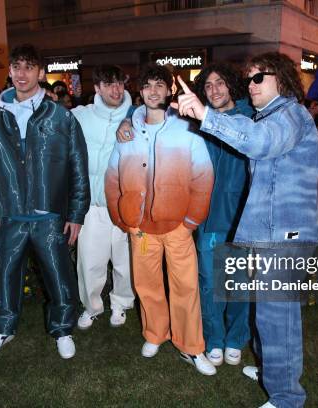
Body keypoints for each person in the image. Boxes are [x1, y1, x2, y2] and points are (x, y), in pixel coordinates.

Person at [174, 52, 318, 408]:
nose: (251, 85)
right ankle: (273, 372)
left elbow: (258, 141)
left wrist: (205, 114)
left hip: (283, 238)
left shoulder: (291, 115)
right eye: (249, 78)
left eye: (259, 78)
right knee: (267, 317)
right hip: (269, 233)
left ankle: (286, 398)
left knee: (278, 322)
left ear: (282, 80)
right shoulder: (269, 116)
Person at [0, 44, 90, 360]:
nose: (22, 74)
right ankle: (3, 328)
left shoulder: (60, 116)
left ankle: (63, 329)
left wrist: (76, 213)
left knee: (59, 276)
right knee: (5, 277)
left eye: (29, 67)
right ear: (10, 71)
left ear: (40, 72)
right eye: (16, 67)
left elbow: (78, 166)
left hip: (49, 215)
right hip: (10, 215)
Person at [105, 63, 215, 376]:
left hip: (178, 227)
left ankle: (191, 347)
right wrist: (122, 217)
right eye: (148, 86)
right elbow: (113, 176)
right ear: (139, 92)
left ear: (169, 91)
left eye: (159, 86)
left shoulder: (187, 129)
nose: (153, 91)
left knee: (186, 287)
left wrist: (192, 220)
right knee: (147, 285)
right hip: (140, 229)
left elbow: (203, 176)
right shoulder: (127, 132)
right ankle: (154, 333)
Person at [191, 63, 253, 368]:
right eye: (208, 86)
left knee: (240, 281)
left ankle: (236, 338)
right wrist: (128, 118)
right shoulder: (198, 121)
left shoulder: (249, 118)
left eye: (220, 83)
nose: (214, 90)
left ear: (231, 85)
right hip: (207, 216)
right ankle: (214, 338)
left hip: (241, 214)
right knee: (209, 281)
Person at [71, 65, 135, 329]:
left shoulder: (137, 116)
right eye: (109, 84)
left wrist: (132, 117)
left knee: (125, 262)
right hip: (92, 204)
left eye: (119, 83)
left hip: (123, 204)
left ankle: (120, 303)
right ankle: (92, 306)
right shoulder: (79, 116)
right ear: (97, 88)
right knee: (89, 261)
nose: (116, 89)